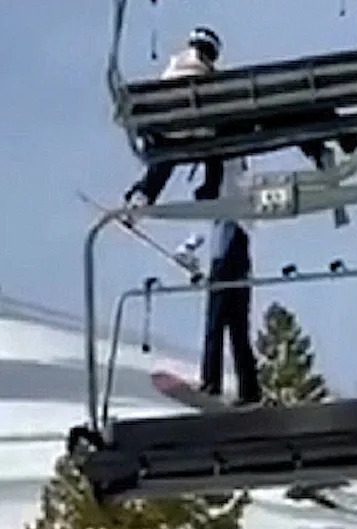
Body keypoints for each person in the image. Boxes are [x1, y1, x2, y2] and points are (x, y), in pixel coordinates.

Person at [172, 158, 263, 407]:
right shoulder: (238, 184)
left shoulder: (228, 175)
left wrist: (189, 254)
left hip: (227, 258)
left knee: (217, 325)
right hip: (236, 259)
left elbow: (212, 192)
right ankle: (249, 390)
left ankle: (212, 383)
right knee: (237, 328)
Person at [123, 26, 225, 210]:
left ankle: (145, 194)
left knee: (165, 159)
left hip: (169, 133)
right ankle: (210, 190)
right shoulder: (211, 76)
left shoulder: (174, 67)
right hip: (201, 135)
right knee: (217, 151)